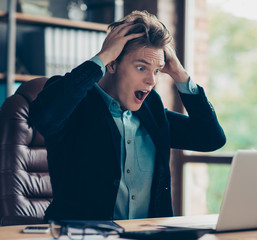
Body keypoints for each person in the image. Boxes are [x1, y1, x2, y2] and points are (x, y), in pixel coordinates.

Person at [29, 10, 226, 221]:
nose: (151, 80)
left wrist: (180, 74)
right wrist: (101, 58)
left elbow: (210, 138)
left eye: (157, 70)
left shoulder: (151, 109)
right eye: (141, 67)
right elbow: (45, 117)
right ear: (112, 64)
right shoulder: (76, 104)